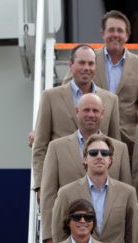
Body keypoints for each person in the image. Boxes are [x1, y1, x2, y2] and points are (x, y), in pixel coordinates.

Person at [51, 134, 137, 243]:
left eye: (104, 153)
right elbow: (59, 234)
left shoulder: (127, 193)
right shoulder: (66, 193)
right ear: (84, 159)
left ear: (111, 160)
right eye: (93, 153)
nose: (99, 157)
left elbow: (132, 238)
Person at [40, 93, 131, 243]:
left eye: (95, 111)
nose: (91, 115)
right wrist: (49, 237)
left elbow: (126, 197)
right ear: (77, 112)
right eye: (86, 110)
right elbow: (49, 195)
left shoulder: (120, 149)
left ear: (103, 114)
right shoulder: (56, 148)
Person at [32, 44, 120, 193]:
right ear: (71, 65)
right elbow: (40, 146)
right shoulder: (50, 97)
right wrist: (41, 185)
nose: (86, 67)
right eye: (81, 63)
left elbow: (114, 145)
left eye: (91, 63)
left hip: (100, 185)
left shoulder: (110, 100)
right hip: (61, 183)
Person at [94, 10, 138, 155]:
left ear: (127, 35)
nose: (115, 34)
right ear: (103, 33)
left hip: (129, 142)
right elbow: (66, 95)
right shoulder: (88, 60)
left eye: (120, 31)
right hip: (92, 139)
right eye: (111, 30)